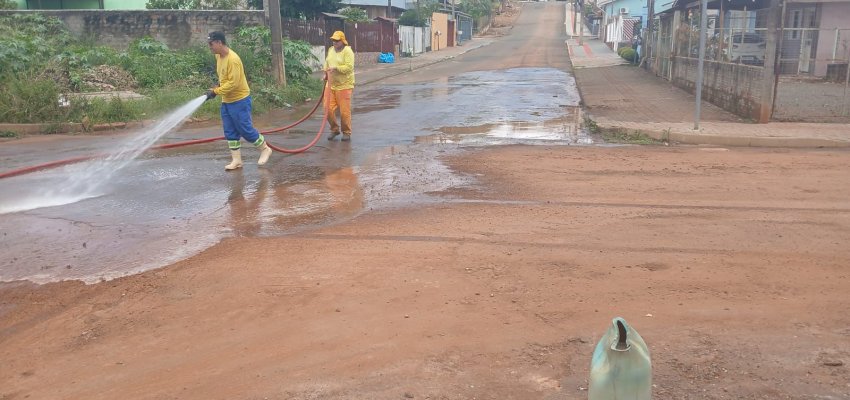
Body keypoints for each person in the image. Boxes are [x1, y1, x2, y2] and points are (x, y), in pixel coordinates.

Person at [205, 31, 272, 170]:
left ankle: (265, 149)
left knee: (245, 129)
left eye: (211, 44)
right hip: (227, 100)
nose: (209, 47)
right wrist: (217, 87)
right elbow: (224, 78)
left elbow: (233, 83)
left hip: (240, 100)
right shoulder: (219, 56)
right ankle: (237, 160)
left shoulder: (233, 59)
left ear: (219, 42)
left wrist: (216, 92)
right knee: (229, 130)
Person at [324, 31, 355, 142]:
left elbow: (349, 67)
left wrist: (336, 68)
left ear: (342, 41)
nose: (334, 42)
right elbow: (327, 63)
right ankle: (334, 129)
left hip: (344, 85)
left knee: (344, 112)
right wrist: (325, 73)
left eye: (337, 40)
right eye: (333, 40)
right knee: (327, 109)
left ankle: (346, 132)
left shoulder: (348, 51)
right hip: (331, 84)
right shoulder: (331, 50)